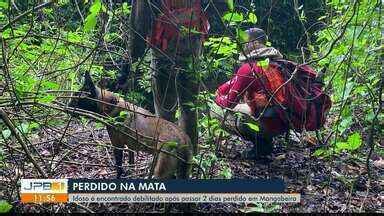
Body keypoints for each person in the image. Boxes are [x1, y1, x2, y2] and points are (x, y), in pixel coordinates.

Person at [215, 28, 332, 159]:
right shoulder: (276, 63)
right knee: (249, 109)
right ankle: (265, 143)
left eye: (244, 42)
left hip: (268, 124)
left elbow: (229, 102)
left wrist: (217, 99)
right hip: (283, 124)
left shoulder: (248, 68)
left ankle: (262, 146)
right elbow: (228, 85)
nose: (241, 45)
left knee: (217, 112)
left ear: (253, 43)